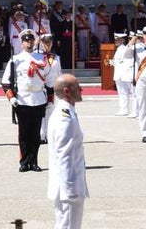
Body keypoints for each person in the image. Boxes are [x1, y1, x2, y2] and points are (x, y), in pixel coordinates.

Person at [1, 28, 53, 172]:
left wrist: (50, 99)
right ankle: (24, 162)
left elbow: (49, 80)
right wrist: (11, 98)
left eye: (31, 40)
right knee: (24, 133)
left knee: (36, 134)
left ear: (34, 42)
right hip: (22, 100)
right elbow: (6, 81)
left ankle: (34, 161)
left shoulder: (42, 58)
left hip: (38, 99)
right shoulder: (15, 59)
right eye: (26, 41)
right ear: (21, 43)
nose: (29, 43)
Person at [47, 73, 88, 229]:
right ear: (66, 91)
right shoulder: (64, 117)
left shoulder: (67, 112)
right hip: (68, 187)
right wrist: (70, 189)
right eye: (77, 87)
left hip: (70, 184)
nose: (81, 89)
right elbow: (64, 154)